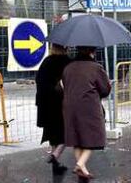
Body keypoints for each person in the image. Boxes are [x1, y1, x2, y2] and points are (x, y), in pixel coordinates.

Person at [62, 46, 111, 179]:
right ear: (92, 52)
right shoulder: (95, 68)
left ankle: (82, 168)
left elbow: (65, 84)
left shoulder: (68, 67)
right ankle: (80, 164)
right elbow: (105, 89)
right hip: (88, 107)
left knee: (76, 137)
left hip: (69, 105)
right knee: (93, 135)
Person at [35, 44, 70, 174]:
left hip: (45, 103)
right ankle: (55, 155)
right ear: (65, 48)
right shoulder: (67, 62)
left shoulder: (46, 61)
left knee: (53, 134)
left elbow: (38, 80)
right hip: (60, 103)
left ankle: (56, 165)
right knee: (67, 132)